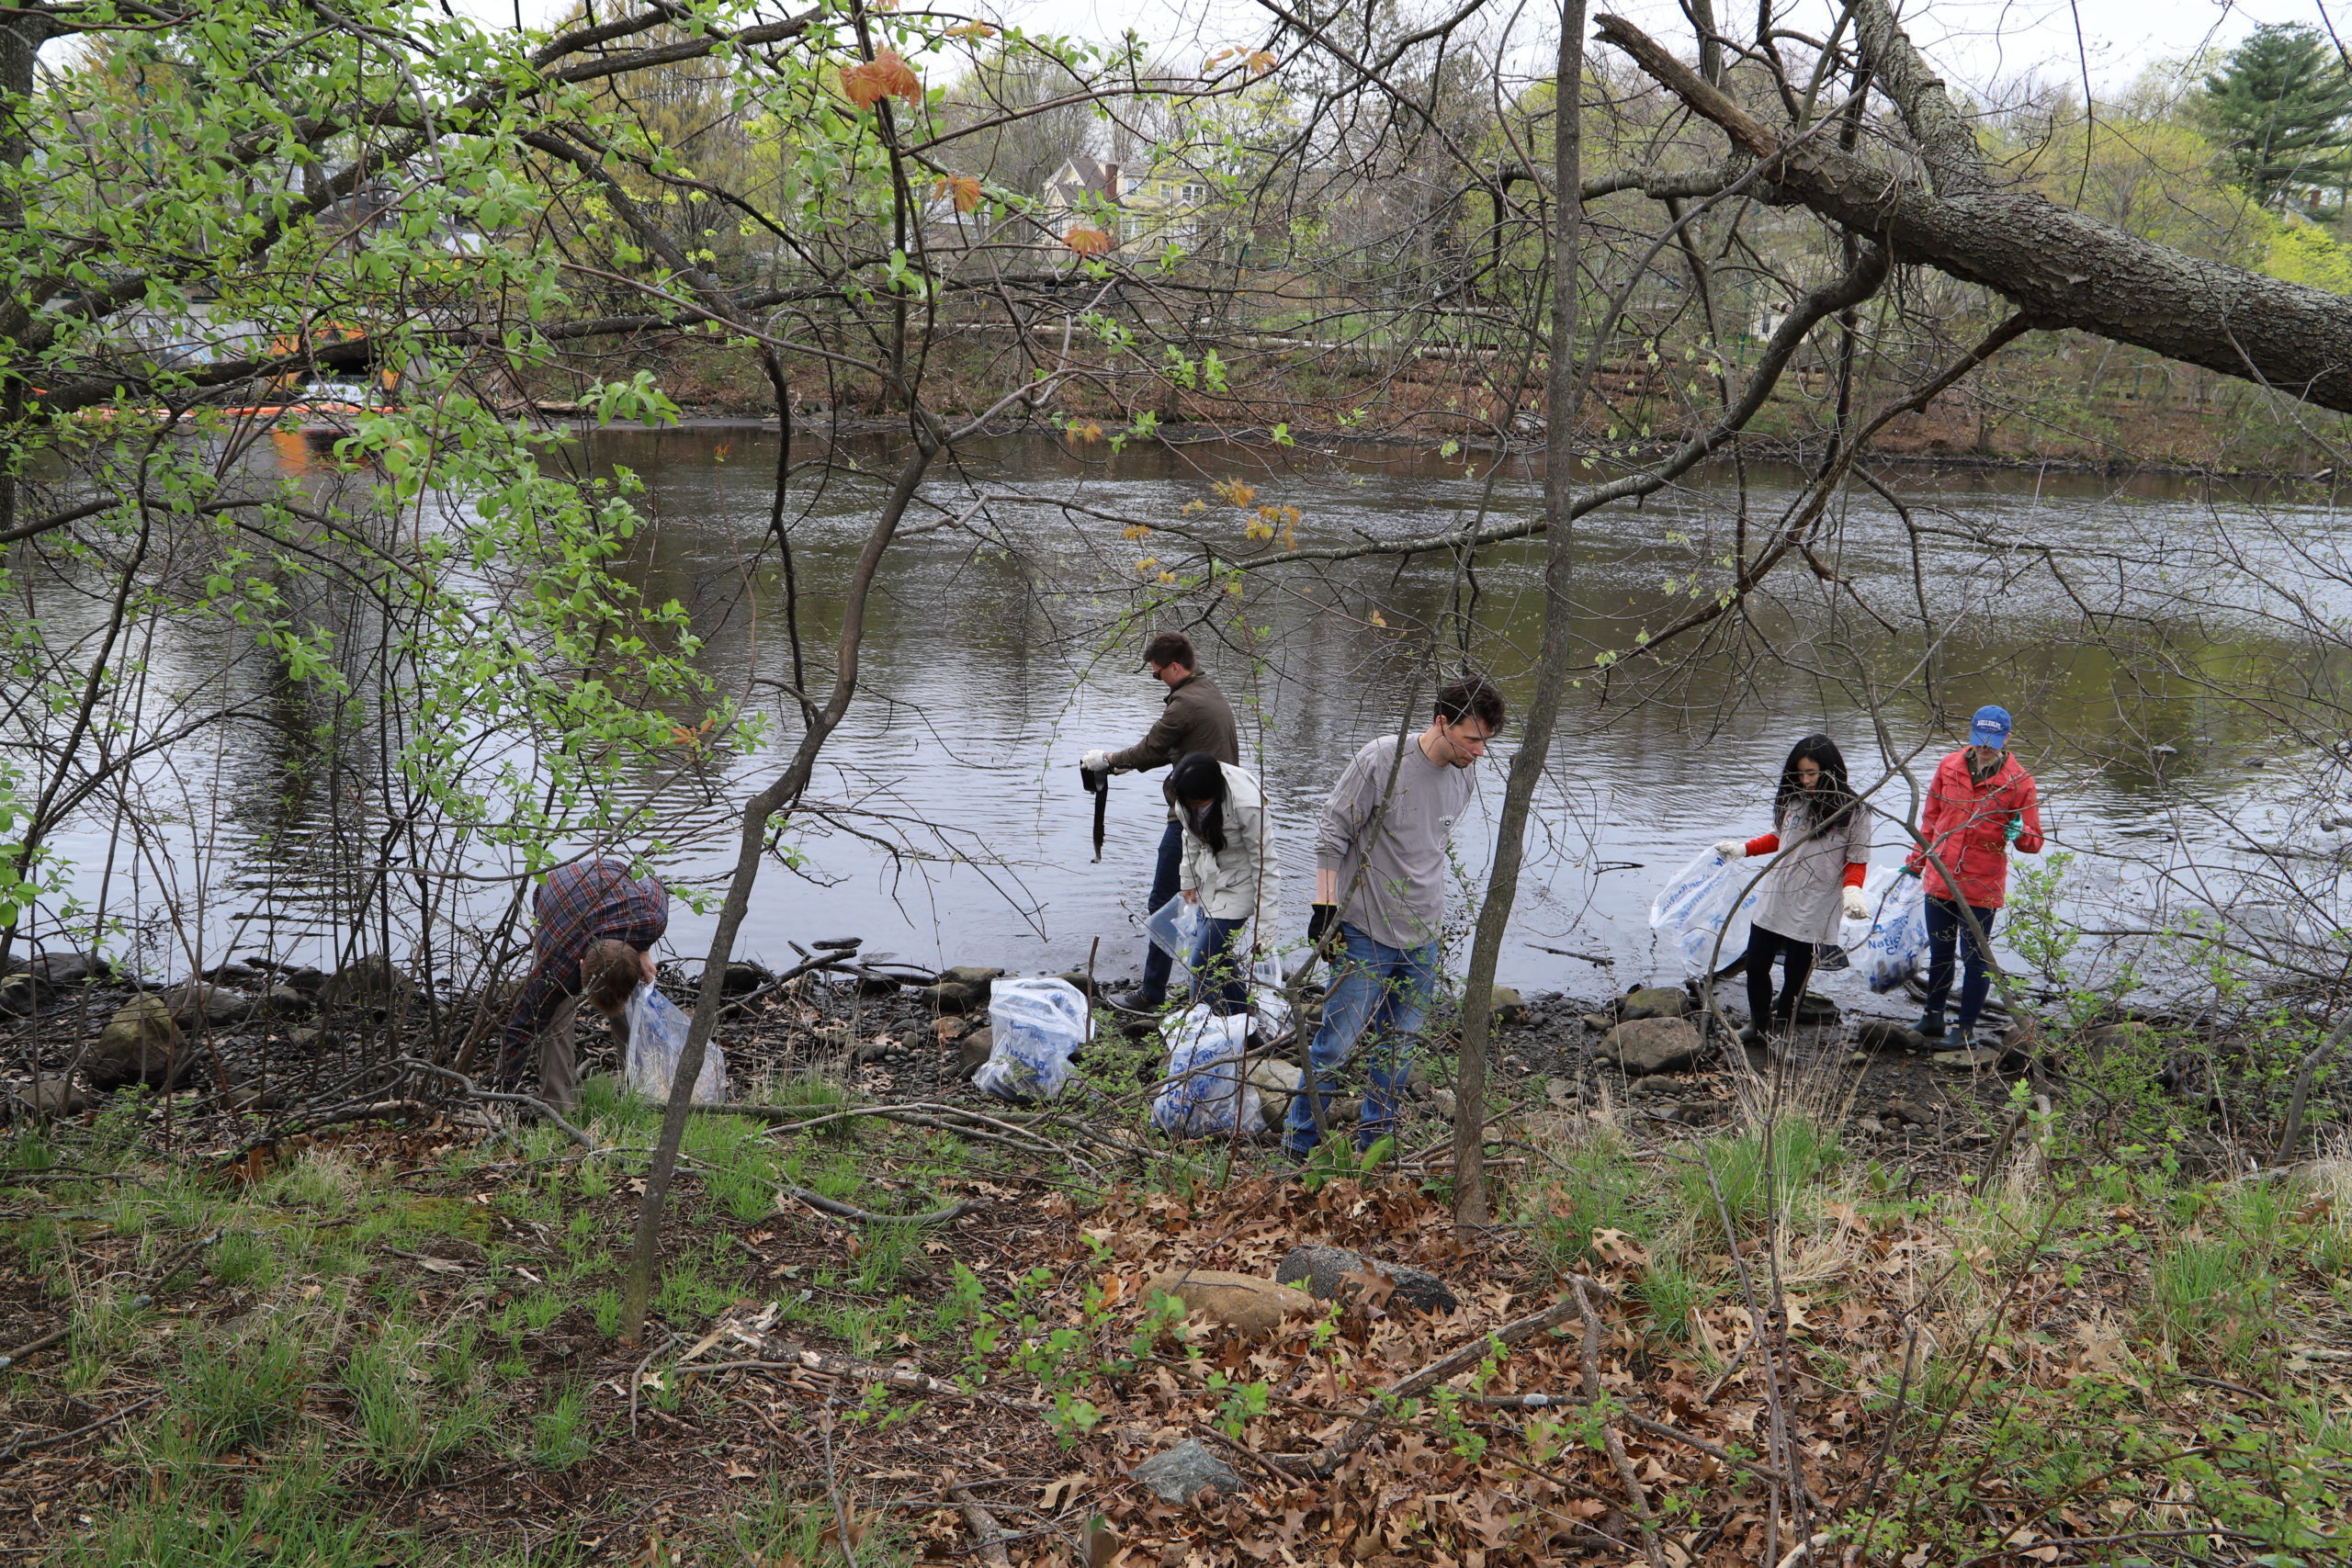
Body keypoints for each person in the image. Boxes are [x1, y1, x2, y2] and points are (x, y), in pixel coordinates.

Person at [1286, 674, 1505, 1161]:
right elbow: (1331, 830)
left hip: (1423, 936)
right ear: (1441, 723)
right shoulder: (1382, 759)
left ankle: (1375, 1147)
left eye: (1487, 741)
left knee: (1399, 1053)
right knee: (1334, 1048)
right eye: (1473, 738)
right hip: (1364, 930)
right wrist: (1325, 910)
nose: (1480, 751)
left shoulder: (1466, 772)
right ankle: (1299, 1146)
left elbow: (1428, 846)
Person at [1080, 632, 1240, 1011]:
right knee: (1209, 904)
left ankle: (1152, 994)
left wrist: (1109, 759)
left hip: (1192, 816)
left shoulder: (1184, 703)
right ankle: (1220, 993)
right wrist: (1124, 767)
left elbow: (1153, 745)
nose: (1157, 680)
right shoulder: (1209, 691)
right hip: (1222, 812)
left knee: (1163, 900)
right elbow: (1172, 748)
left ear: (1174, 666)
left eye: (1157, 674)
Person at [1713, 734, 1872, 1045]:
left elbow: (1857, 860)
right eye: (1799, 773)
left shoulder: (1856, 811)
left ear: (1831, 771)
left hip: (1816, 902)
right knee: (1757, 963)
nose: (1805, 780)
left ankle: (1782, 1026)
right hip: (1778, 893)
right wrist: (1743, 849)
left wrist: (1852, 891)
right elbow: (1780, 838)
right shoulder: (1794, 798)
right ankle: (1759, 1024)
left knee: (1796, 975)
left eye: (1811, 773)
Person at [1901, 705, 2044, 1047]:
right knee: (1939, 952)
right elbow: (1931, 819)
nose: (1985, 745)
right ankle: (1933, 1017)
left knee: (1976, 958)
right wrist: (1916, 861)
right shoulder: (1948, 765)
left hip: (1981, 885)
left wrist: (2018, 831)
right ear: (1972, 733)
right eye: (1980, 737)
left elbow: (2034, 842)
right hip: (1940, 878)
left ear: (2007, 738)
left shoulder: (2019, 782)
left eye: (1993, 739)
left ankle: (1964, 1030)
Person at [497, 858, 667, 1111]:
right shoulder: (555, 967)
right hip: (553, 894)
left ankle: (641, 1089)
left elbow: (654, 880)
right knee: (552, 1015)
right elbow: (519, 1030)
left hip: (607, 873)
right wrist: (502, 1093)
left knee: (631, 1002)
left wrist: (643, 947)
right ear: (579, 965)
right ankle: (560, 1105)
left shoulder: (651, 919)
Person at [1168, 751, 1281, 1016]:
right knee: (1221, 958)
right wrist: (1188, 880)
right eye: (1189, 803)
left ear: (1215, 793)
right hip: (1210, 880)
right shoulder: (1184, 795)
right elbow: (1189, 837)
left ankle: (1198, 1030)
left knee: (1202, 962)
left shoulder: (1247, 804)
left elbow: (1266, 866)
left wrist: (1264, 931)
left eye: (1199, 803)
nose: (1193, 808)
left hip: (1241, 884)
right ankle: (1246, 1019)